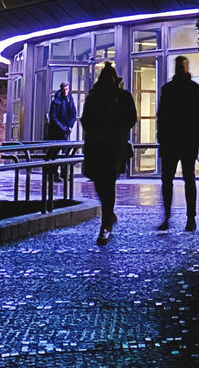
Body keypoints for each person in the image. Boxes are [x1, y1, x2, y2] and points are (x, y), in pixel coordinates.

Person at [80, 62, 137, 245]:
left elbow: (130, 118)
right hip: (104, 145)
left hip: (110, 146)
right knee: (103, 183)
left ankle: (106, 223)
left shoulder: (118, 96)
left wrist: (116, 129)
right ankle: (108, 216)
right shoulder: (97, 96)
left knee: (106, 183)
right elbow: (86, 119)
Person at [156, 56, 199, 232]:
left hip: (172, 141)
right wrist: (197, 140)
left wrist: (161, 138)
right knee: (188, 179)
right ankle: (190, 218)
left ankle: (169, 216)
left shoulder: (168, 89)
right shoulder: (195, 90)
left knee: (168, 180)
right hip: (187, 142)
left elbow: (161, 117)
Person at [45, 81, 77, 159]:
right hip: (56, 131)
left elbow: (73, 114)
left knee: (62, 151)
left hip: (65, 130)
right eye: (64, 89)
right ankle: (51, 169)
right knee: (53, 151)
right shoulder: (55, 102)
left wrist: (70, 126)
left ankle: (56, 169)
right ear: (61, 89)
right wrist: (63, 128)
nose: (65, 91)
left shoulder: (70, 100)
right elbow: (53, 117)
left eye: (66, 89)